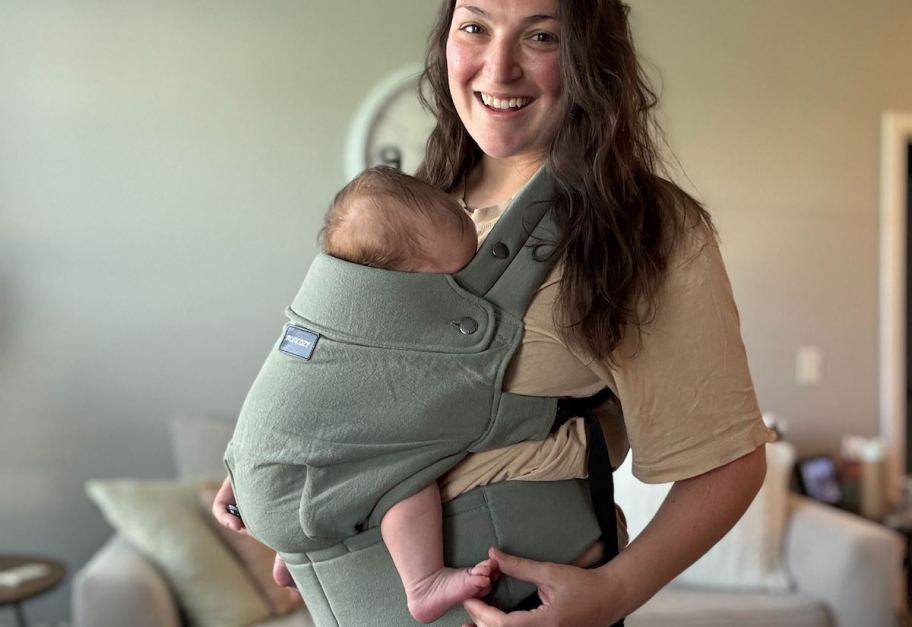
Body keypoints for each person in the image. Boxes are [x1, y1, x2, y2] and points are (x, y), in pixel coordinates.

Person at [216, 1, 773, 624]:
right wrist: (279, 463)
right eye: (475, 27)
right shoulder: (413, 210)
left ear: (591, 58)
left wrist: (615, 593)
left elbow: (727, 461)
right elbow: (347, 367)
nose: (499, 67)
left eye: (541, 36)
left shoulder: (643, 231)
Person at [228, 165, 595, 624]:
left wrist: (251, 484)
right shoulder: (393, 346)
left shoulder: (323, 320)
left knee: (355, 459)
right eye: (455, 273)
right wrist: (549, 413)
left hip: (255, 479)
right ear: (407, 283)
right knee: (405, 474)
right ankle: (423, 583)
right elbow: (448, 414)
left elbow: (279, 409)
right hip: (297, 500)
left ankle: (301, 548)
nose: (466, 278)